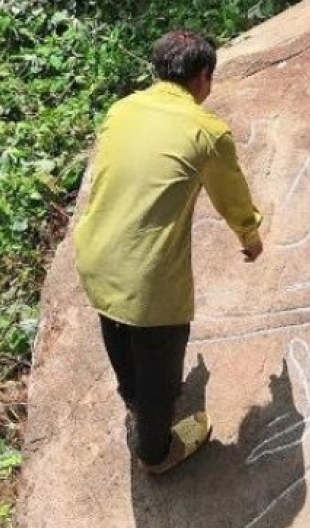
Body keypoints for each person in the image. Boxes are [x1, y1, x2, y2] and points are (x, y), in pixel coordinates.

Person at [73, 30, 265, 475]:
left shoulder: (121, 109)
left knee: (116, 324)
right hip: (149, 280)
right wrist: (250, 237)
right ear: (203, 77)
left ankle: (132, 395)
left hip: (97, 256)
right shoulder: (208, 131)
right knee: (160, 360)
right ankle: (155, 450)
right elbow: (232, 198)